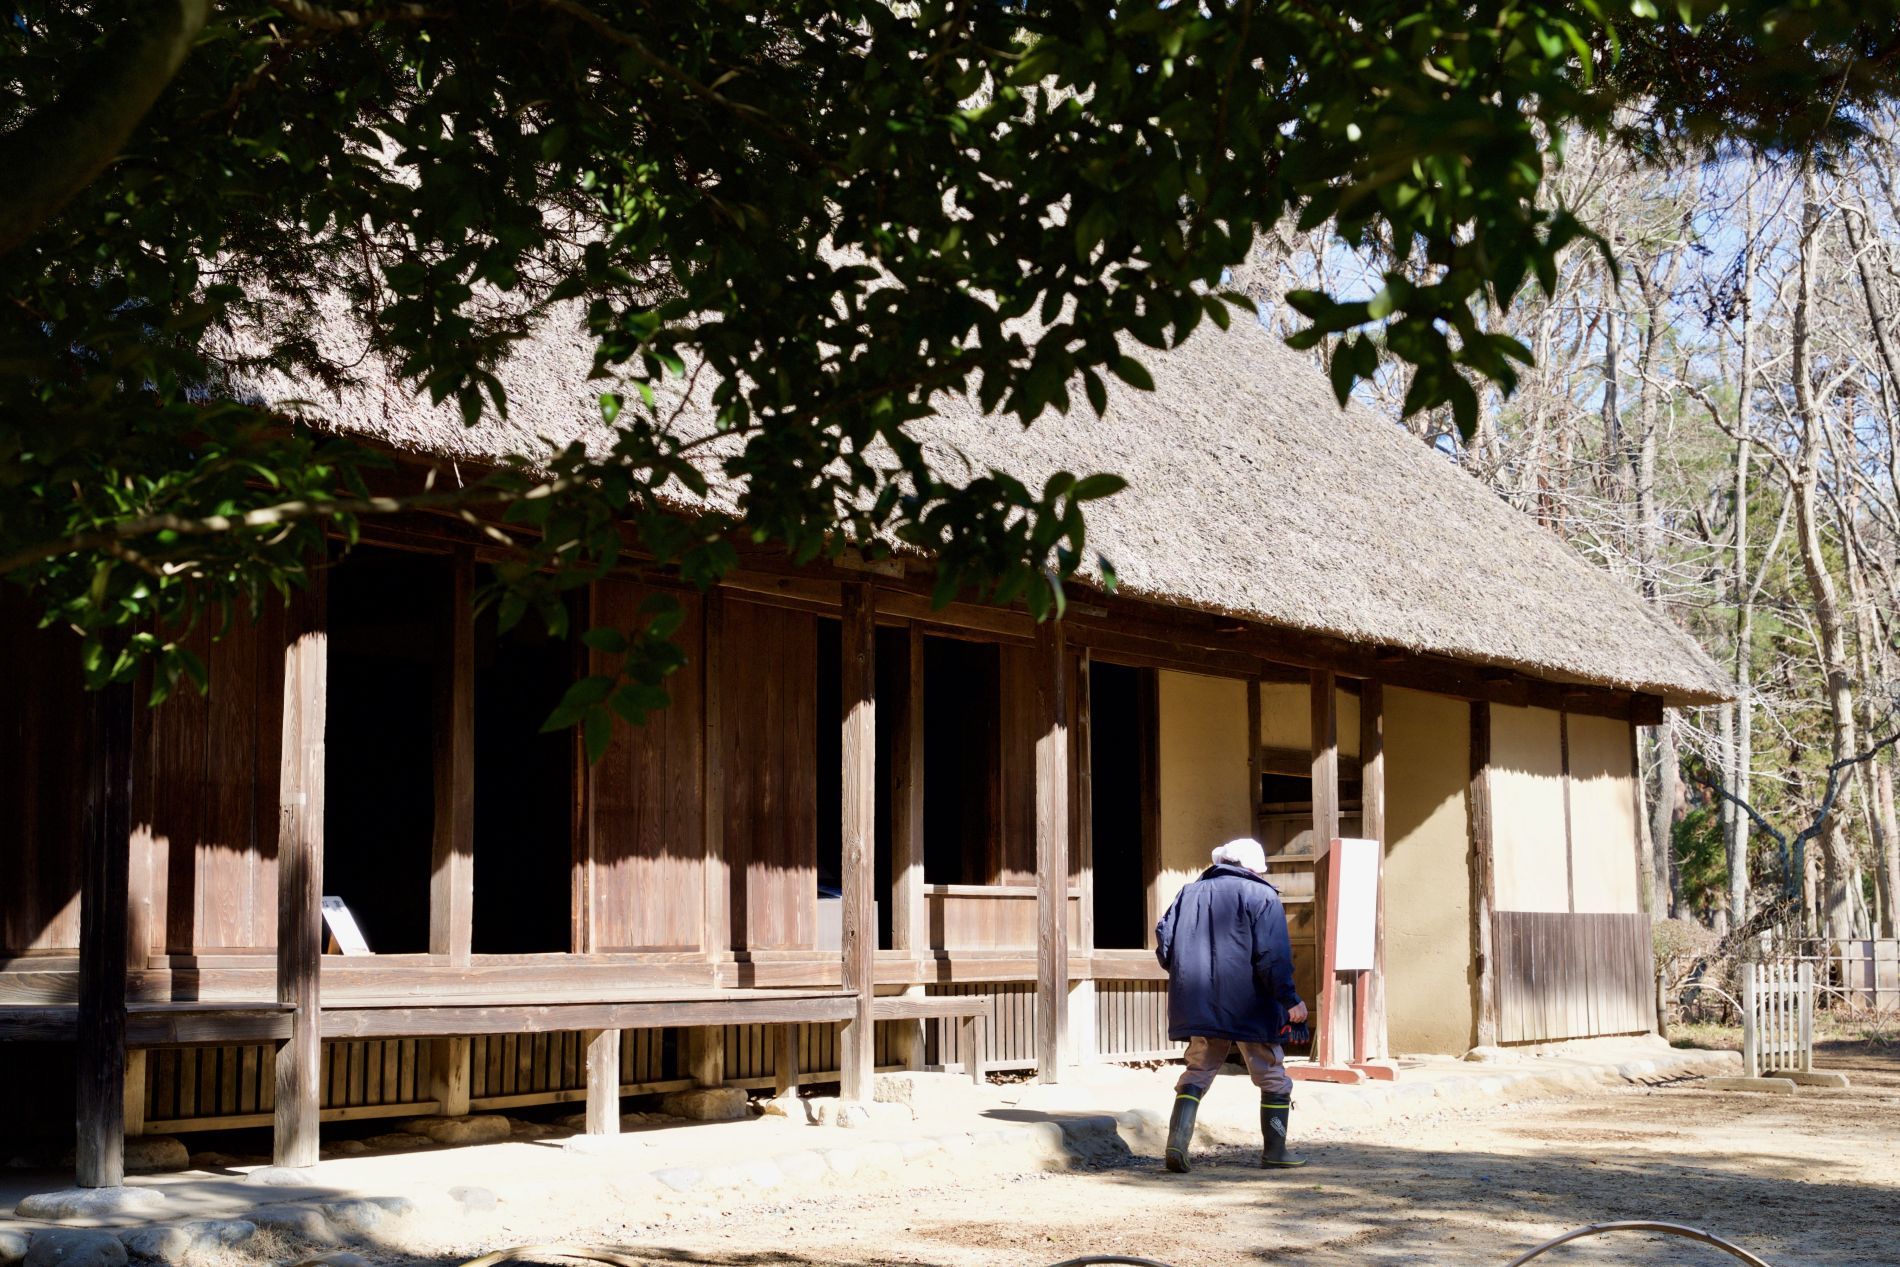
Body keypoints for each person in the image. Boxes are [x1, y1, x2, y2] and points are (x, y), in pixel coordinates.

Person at [1154, 837, 1308, 1172]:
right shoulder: (1263, 895)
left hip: (1200, 1001)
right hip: (1250, 1004)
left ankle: (1177, 1144)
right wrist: (1290, 999)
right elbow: (1273, 957)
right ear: (1254, 868)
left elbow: (1165, 943)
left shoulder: (1188, 893)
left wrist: (1187, 977)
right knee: (1270, 1073)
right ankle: (1275, 1152)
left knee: (1198, 1070)